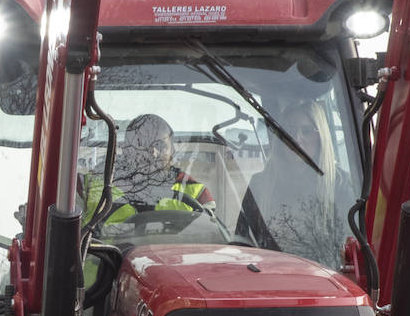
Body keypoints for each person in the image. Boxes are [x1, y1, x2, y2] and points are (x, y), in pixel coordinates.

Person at [239, 98, 350, 269]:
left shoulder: (341, 186)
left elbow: (350, 252)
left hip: (326, 281)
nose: (296, 139)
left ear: (321, 136)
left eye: (306, 131)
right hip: (269, 277)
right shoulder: (260, 185)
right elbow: (241, 243)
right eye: (289, 130)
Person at [83, 113, 216, 227]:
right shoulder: (85, 188)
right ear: (125, 149)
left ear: (172, 151)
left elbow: (211, 239)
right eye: (142, 145)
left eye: (160, 145)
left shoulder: (197, 193)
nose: (152, 153)